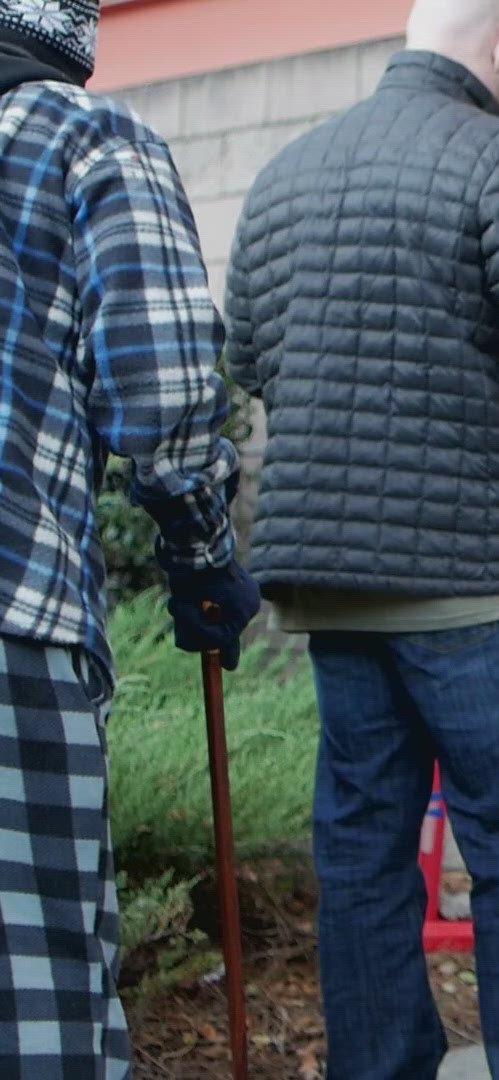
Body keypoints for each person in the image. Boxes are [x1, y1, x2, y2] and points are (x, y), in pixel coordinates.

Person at [225, 0, 499, 1073]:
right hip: (482, 582)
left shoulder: (285, 174)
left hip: (337, 589)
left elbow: (252, 358)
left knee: (361, 851)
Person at [0, 3, 260, 1073]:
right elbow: (162, 401)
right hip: (14, 619)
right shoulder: (81, 134)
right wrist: (202, 556)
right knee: (41, 1003)